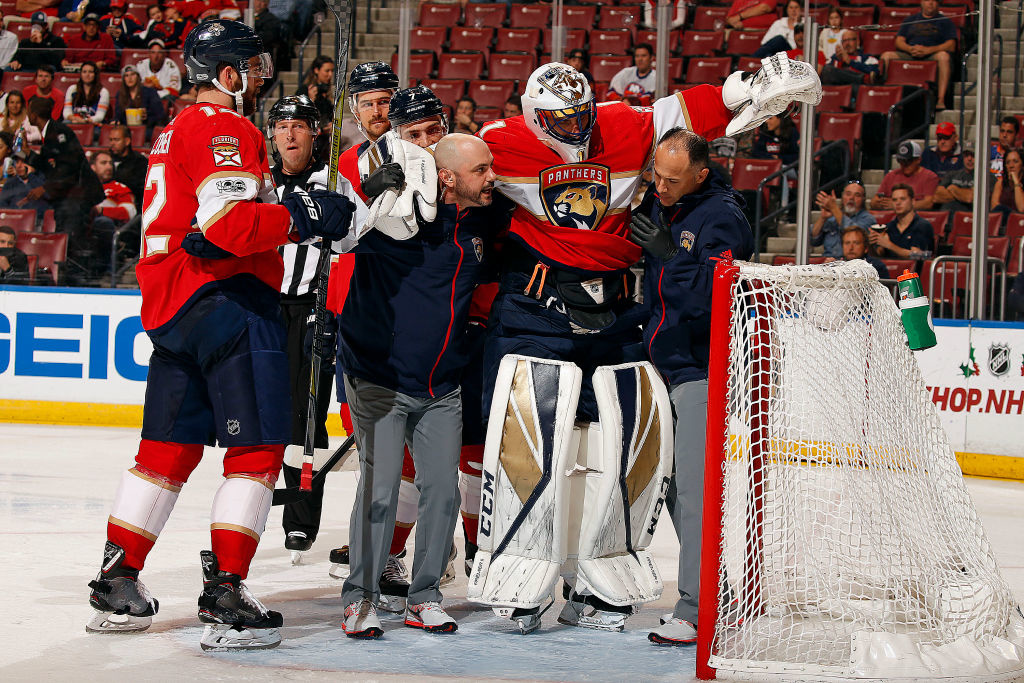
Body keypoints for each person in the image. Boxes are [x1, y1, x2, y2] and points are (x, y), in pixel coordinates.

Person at [475, 57, 820, 632]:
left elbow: (691, 111)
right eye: (561, 118)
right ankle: (522, 576)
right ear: (534, 118)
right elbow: (450, 171)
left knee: (626, 450)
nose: (576, 127)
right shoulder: (499, 143)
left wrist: (750, 86)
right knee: (532, 442)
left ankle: (606, 578)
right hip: (537, 312)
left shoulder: (627, 126)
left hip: (618, 320)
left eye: (581, 113)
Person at [84, 19, 356, 651]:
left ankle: (119, 581)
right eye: (253, 67)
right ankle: (226, 594)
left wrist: (278, 206)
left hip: (174, 305)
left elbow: (209, 217)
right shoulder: (226, 128)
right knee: (259, 453)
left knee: (165, 451)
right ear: (229, 74)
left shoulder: (174, 129)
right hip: (228, 302)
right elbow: (230, 228)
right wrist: (302, 215)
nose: (260, 77)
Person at [337, 131, 500, 639]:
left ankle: (424, 595)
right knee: (381, 492)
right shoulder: (388, 220)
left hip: (442, 387)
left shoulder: (480, 226)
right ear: (447, 177)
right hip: (380, 381)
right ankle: (360, 597)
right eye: (481, 170)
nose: (492, 176)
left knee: (443, 495)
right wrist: (364, 196)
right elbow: (334, 234)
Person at [628, 128, 753, 646]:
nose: (659, 184)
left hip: (705, 369)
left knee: (697, 493)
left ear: (701, 174)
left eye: (671, 179)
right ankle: (712, 589)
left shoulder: (722, 217)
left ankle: (697, 608)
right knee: (677, 491)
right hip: (665, 365)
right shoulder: (666, 205)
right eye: (656, 172)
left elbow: (716, 294)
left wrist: (671, 255)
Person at [264, 94, 367, 559]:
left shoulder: (334, 181)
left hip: (314, 306)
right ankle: (253, 500)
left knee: (308, 416)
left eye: (299, 126)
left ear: (316, 133)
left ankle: (300, 519)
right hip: (263, 308)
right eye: (282, 125)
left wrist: (336, 214)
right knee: (262, 413)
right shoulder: (258, 183)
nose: (289, 133)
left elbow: (352, 239)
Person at [25, 96, 104, 273]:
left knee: (72, 239)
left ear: (34, 114)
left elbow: (69, 168)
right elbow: (49, 166)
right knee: (67, 236)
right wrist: (26, 153)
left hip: (76, 195)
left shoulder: (59, 132)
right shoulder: (51, 132)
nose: (27, 114)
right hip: (67, 197)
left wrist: (45, 188)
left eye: (29, 110)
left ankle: (79, 278)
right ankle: (69, 275)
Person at [880, 0, 957, 109]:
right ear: (921, 3)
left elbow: (951, 45)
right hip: (910, 54)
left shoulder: (945, 22)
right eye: (927, 0)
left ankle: (940, 99)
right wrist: (910, 49)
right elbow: (899, 41)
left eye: (933, 0)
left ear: (938, 3)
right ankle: (884, 95)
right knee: (886, 56)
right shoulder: (910, 20)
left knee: (944, 57)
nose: (930, 3)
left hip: (932, 55)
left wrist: (929, 50)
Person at [88, 149, 137, 276]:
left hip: (108, 227)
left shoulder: (119, 188)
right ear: (93, 167)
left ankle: (107, 270)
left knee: (103, 222)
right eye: (103, 163)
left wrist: (101, 210)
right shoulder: (82, 187)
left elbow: (128, 212)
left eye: (110, 163)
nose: (109, 167)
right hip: (83, 225)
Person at [811, 181, 875, 259]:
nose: (851, 198)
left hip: (851, 264)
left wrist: (834, 208)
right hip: (827, 263)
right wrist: (823, 218)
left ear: (863, 199)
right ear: (842, 196)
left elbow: (855, 233)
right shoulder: (832, 217)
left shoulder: (868, 219)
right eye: (848, 194)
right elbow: (813, 241)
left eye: (857, 195)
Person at [870, 183, 934, 258]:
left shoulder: (923, 226)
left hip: (914, 269)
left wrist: (889, 245)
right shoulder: (888, 227)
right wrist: (871, 245)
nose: (898, 203)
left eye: (902, 199)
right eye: (894, 200)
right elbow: (879, 255)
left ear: (913, 201)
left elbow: (916, 255)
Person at [872, 141, 939, 211]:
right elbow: (874, 202)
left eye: (908, 161)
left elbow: (928, 204)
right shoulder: (891, 176)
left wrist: (897, 205)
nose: (904, 164)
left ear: (918, 160)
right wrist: (881, 203)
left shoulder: (929, 177)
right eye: (900, 160)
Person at [112, 64, 166, 129]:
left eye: (133, 74)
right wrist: (115, 121)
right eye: (126, 75)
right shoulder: (120, 94)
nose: (130, 78)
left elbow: (160, 115)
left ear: (138, 77)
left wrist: (147, 116)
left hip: (147, 128)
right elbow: (118, 115)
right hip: (126, 130)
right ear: (124, 79)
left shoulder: (150, 92)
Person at [0, 150, 50, 218]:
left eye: (23, 162)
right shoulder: (11, 182)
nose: (19, 166)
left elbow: (48, 197)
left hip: (38, 220)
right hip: (16, 220)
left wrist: (30, 175)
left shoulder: (41, 179)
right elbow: (2, 204)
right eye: (17, 162)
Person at [108, 124, 147, 210]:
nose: (112, 143)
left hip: (131, 205)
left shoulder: (139, 161)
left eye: (116, 140)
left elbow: (141, 190)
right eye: (110, 140)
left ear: (127, 141)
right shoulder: (106, 159)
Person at [934, 145, 975, 213]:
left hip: (967, 217)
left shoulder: (985, 178)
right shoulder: (952, 174)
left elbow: (969, 198)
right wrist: (961, 195)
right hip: (945, 214)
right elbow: (937, 197)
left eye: (973, 156)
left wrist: (953, 188)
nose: (969, 159)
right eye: (966, 155)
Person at [298, 55, 335, 125]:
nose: (330, 74)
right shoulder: (304, 90)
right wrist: (311, 100)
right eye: (327, 71)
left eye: (332, 71)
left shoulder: (326, 91)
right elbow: (299, 116)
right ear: (316, 70)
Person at [990, 147, 1024, 218]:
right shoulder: (1000, 183)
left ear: (1022, 165)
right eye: (1008, 162)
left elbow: (1022, 208)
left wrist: (1016, 182)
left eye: (1015, 161)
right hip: (1003, 223)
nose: (1011, 166)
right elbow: (994, 207)